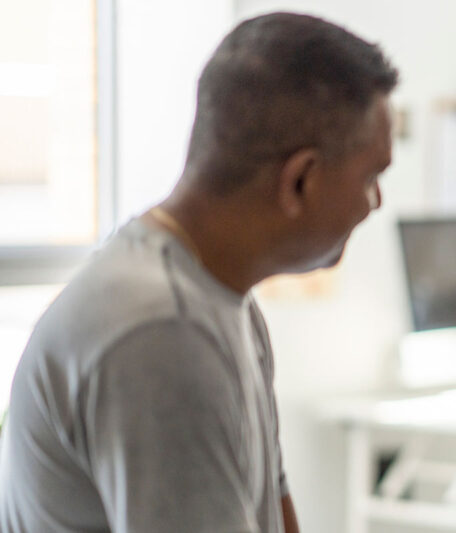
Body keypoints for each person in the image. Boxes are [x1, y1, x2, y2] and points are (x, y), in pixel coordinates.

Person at [0, 12, 397, 533]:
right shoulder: (160, 330)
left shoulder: (227, 299)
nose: (376, 202)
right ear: (300, 181)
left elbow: (274, 508)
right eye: (371, 177)